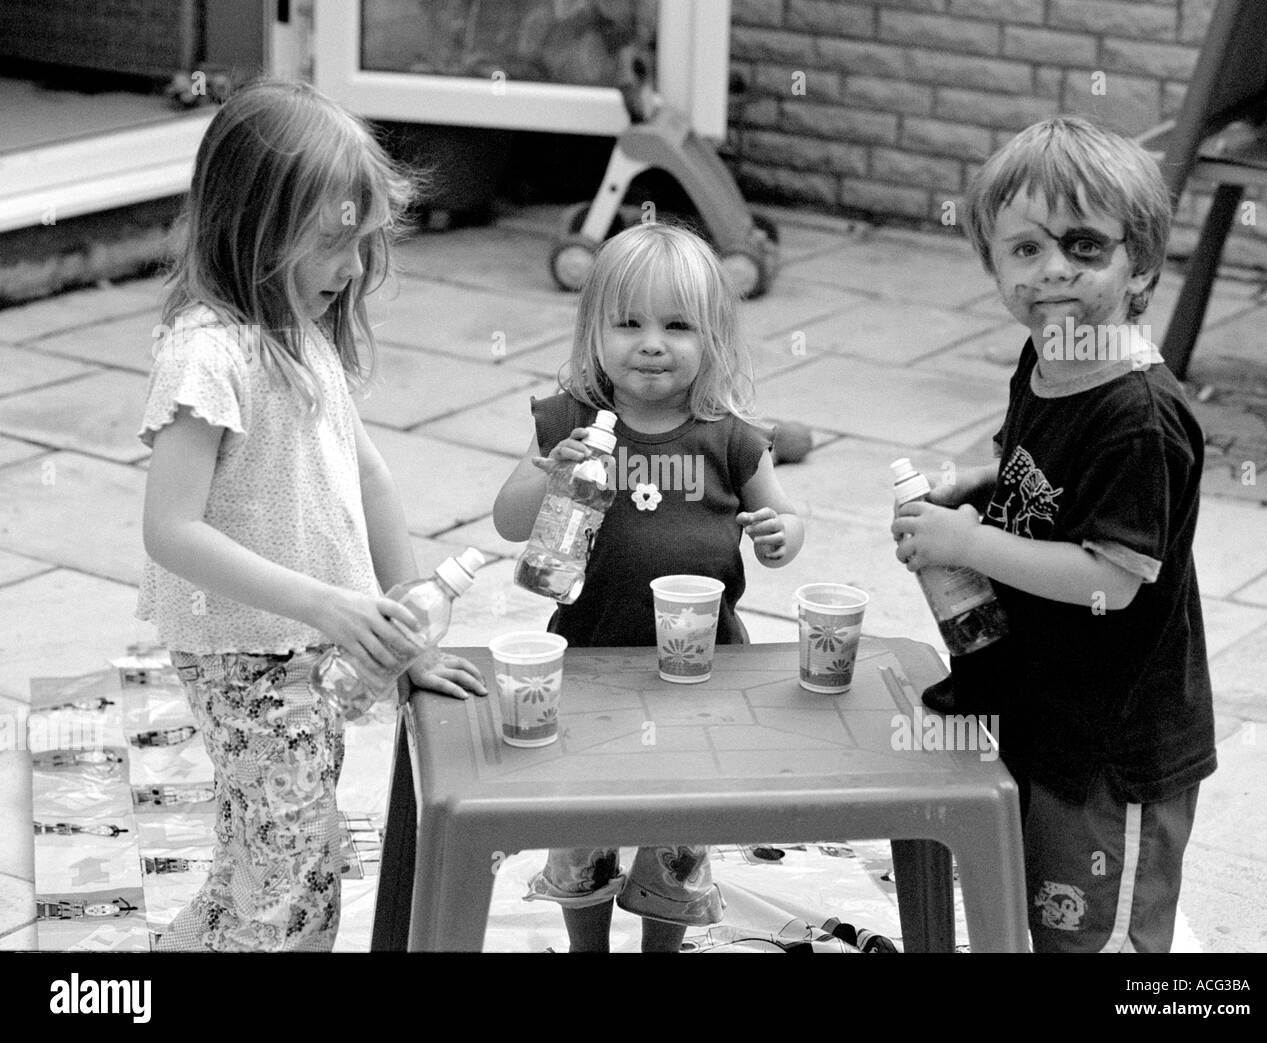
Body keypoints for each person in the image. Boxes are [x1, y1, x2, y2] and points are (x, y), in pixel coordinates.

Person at [136, 79, 485, 952]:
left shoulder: (300, 331)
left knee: (280, 860)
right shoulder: (207, 354)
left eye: (364, 244)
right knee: (292, 879)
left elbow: (368, 477)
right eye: (336, 243)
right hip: (241, 655)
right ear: (254, 227)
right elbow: (171, 531)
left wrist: (410, 629)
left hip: (300, 647)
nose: (355, 269)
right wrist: (329, 604)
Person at [891, 116, 1215, 953]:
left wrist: (966, 546)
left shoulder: (1138, 418)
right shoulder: (1050, 355)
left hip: (1119, 741)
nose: (1053, 270)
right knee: (1050, 910)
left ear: (1139, 264)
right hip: (1056, 709)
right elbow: (1018, 446)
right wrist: (968, 478)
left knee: (1100, 938)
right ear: (994, 264)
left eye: (1083, 245)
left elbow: (1109, 579)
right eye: (1025, 250)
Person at [493, 221, 805, 952]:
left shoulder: (728, 436)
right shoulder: (572, 421)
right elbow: (510, 523)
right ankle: (586, 944)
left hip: (702, 672)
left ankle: (664, 946)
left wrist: (781, 535)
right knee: (582, 819)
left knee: (679, 824)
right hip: (591, 657)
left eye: (677, 325)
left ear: (715, 338)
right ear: (592, 331)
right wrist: (548, 468)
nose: (651, 342)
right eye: (627, 323)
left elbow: (785, 521)